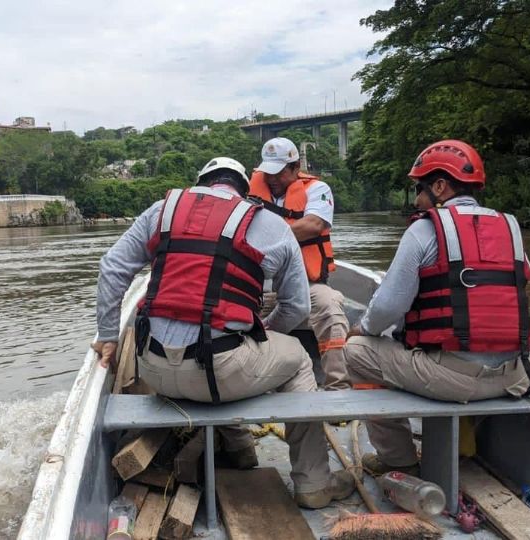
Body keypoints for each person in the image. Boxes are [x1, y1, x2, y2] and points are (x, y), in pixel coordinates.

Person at [92, 157, 354, 509]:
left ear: (200, 183)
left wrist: (109, 335)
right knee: (296, 359)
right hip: (220, 374)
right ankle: (313, 483)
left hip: (153, 369)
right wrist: (260, 337)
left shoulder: (162, 210)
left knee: (227, 354)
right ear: (245, 191)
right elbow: (297, 309)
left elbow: (111, 268)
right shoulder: (271, 225)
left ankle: (240, 448)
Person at [344, 140, 530, 476]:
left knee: (357, 350)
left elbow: (388, 307)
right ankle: (466, 449)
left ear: (440, 186)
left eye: (419, 189)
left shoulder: (425, 229)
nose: (417, 200)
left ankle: (397, 458)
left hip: (453, 381)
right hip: (514, 376)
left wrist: (364, 328)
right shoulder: (510, 228)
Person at [247, 137, 351, 391]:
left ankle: (338, 388)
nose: (271, 179)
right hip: (258, 287)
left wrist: (264, 238)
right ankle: (247, 385)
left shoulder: (317, 190)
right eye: (267, 172)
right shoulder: (248, 191)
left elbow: (313, 225)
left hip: (307, 284)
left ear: (295, 168)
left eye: (279, 172)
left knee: (330, 308)